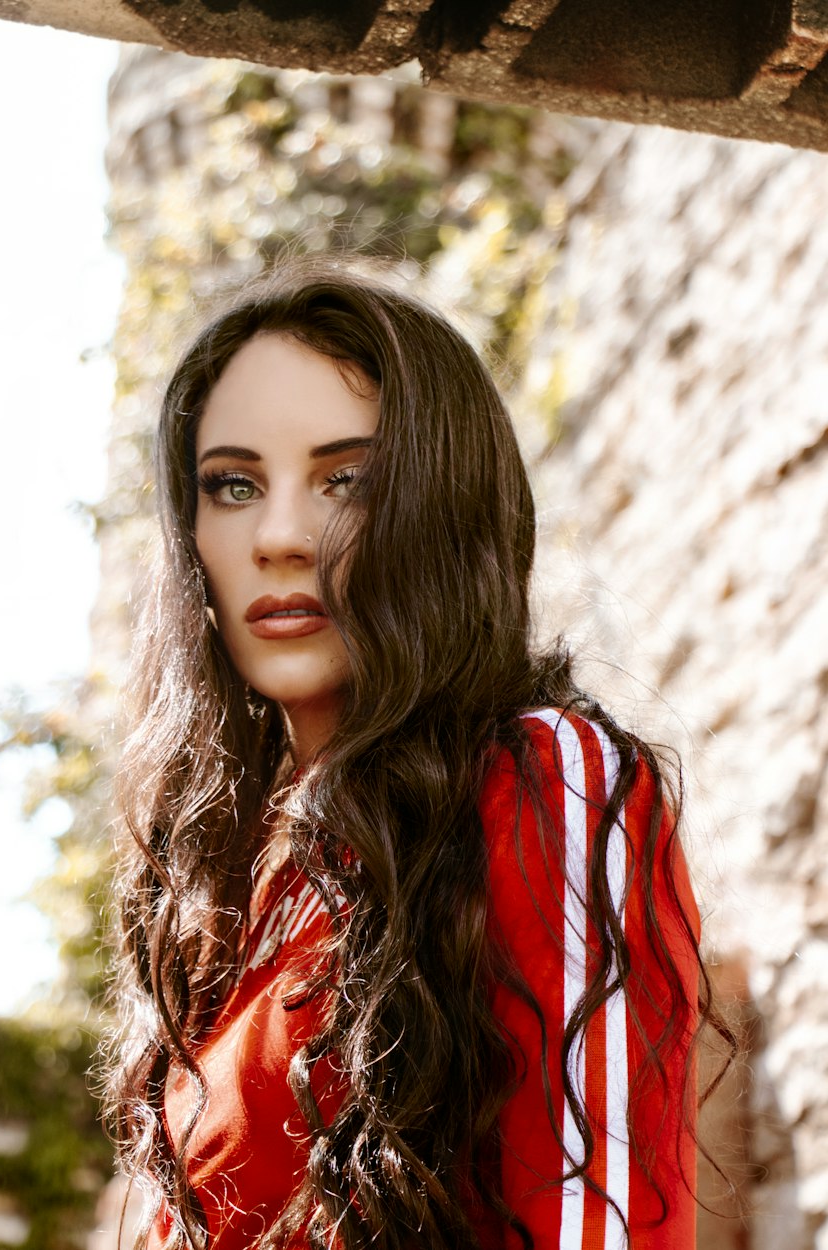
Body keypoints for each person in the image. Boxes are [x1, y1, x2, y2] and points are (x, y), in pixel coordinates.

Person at [108, 261, 725, 1250]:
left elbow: (595, 1215)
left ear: (439, 503)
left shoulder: (542, 776)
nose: (278, 535)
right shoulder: (237, 891)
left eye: (345, 478)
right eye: (233, 484)